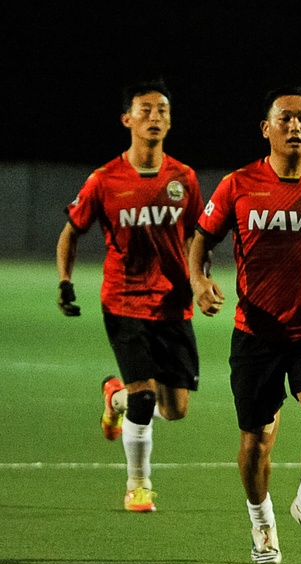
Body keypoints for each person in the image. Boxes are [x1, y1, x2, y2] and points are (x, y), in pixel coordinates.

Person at [188, 86, 301, 564]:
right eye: (285, 119)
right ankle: (261, 522)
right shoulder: (238, 184)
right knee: (256, 442)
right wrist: (199, 281)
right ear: (266, 129)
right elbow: (201, 240)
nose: (295, 127)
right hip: (256, 334)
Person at [55, 79, 204, 513]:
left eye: (162, 110)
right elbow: (70, 233)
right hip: (123, 302)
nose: (154, 117)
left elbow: (199, 235)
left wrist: (200, 278)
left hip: (174, 304)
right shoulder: (104, 179)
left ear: (170, 120)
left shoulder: (184, 179)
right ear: (127, 120)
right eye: (145, 110)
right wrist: (65, 281)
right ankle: (138, 485)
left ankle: (114, 397)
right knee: (145, 399)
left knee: (174, 408)